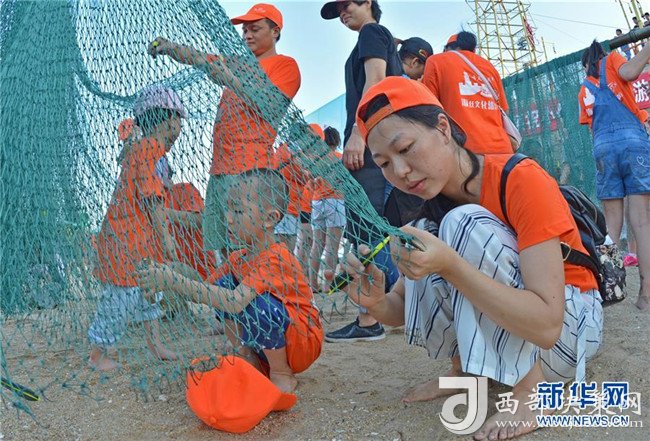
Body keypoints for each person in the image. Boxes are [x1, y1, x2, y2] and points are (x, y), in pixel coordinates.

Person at [337, 76, 603, 440]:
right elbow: (401, 307)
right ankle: (465, 372)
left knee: (461, 225)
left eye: (406, 148)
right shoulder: (425, 209)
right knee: (424, 236)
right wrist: (377, 302)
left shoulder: (519, 178)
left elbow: (547, 325)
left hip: (569, 334)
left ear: (443, 128)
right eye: (384, 163)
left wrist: (450, 265)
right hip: (530, 333)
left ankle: (532, 391)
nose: (400, 172)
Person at [137, 168, 323, 393]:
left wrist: (175, 281)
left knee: (255, 303)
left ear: (270, 218)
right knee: (223, 286)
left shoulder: (276, 257)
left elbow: (234, 302)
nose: (228, 219)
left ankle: (281, 373)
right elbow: (206, 290)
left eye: (238, 210)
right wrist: (164, 278)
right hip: (274, 341)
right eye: (228, 209)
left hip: (301, 342)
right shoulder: (239, 257)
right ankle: (245, 355)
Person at [149, 3, 301, 255]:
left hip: (249, 172)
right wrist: (170, 47)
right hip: (219, 170)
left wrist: (229, 79)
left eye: (254, 29)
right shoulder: (238, 63)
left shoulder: (285, 65)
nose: (247, 35)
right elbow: (200, 58)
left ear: (275, 31)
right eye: (244, 30)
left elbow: (271, 106)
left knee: (249, 249)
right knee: (221, 250)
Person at [88, 86, 187, 371]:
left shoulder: (146, 150)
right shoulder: (148, 150)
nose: (179, 128)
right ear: (169, 120)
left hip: (138, 241)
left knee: (150, 292)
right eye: (178, 120)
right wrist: (167, 238)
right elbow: (152, 199)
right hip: (126, 242)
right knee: (121, 298)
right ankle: (98, 354)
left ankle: (156, 345)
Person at [320, 0, 402, 342]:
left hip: (370, 141)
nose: (342, 12)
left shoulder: (372, 31)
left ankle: (369, 320)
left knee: (367, 231)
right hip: (378, 140)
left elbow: (376, 82)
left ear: (368, 2)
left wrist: (358, 132)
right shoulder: (376, 37)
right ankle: (397, 307)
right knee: (380, 229)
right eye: (338, 9)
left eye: (347, 4)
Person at [579, 40, 650, 310]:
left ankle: (610, 288)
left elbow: (592, 128)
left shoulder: (585, 87)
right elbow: (630, 72)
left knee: (610, 226)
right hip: (633, 142)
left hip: (603, 149)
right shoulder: (613, 60)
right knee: (641, 221)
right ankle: (645, 294)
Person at [422, 31, 513, 154]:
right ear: (473, 50)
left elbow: (428, 109)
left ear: (447, 49)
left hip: (464, 153)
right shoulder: (489, 67)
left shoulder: (435, 61)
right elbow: (504, 111)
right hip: (502, 150)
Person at [309, 126, 346, 291]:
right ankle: (328, 285)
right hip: (335, 202)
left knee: (317, 244)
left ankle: (312, 283)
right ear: (337, 141)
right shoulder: (339, 158)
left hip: (317, 202)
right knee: (332, 245)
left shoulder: (316, 160)